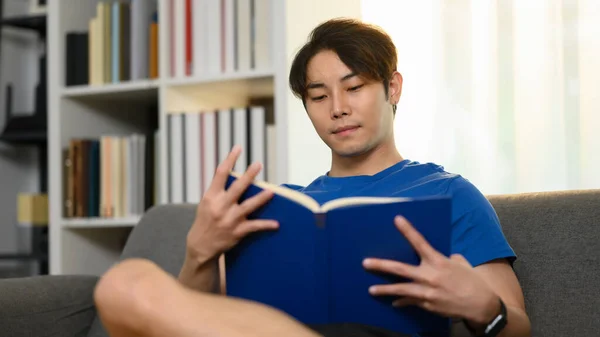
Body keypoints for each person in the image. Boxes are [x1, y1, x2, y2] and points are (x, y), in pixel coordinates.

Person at [93, 18, 531, 337]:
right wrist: (200, 253)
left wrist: (480, 305)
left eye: (354, 88)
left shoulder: (448, 193)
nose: (337, 107)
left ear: (392, 88)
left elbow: (517, 326)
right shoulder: (280, 206)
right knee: (124, 282)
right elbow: (197, 316)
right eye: (318, 96)